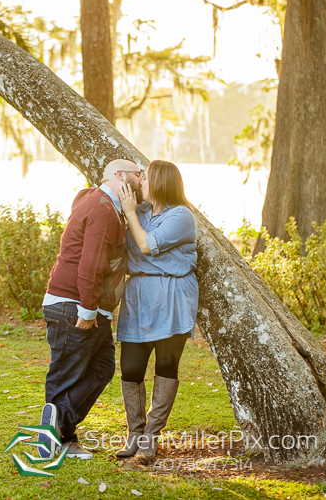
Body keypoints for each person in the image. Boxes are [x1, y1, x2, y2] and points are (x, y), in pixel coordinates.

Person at [39, 158, 142, 460]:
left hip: (88, 306)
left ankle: (60, 431)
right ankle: (52, 441)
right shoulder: (101, 207)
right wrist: (87, 310)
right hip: (75, 304)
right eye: (139, 175)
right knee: (66, 373)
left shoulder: (101, 203)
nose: (141, 181)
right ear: (120, 176)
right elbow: (91, 261)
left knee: (101, 368)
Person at [116, 160, 198, 463]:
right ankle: (134, 433)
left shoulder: (181, 216)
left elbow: (146, 246)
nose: (141, 184)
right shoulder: (140, 212)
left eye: (146, 178)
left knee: (165, 364)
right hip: (138, 295)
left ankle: (150, 436)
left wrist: (128, 214)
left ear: (161, 182)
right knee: (131, 368)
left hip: (171, 295)